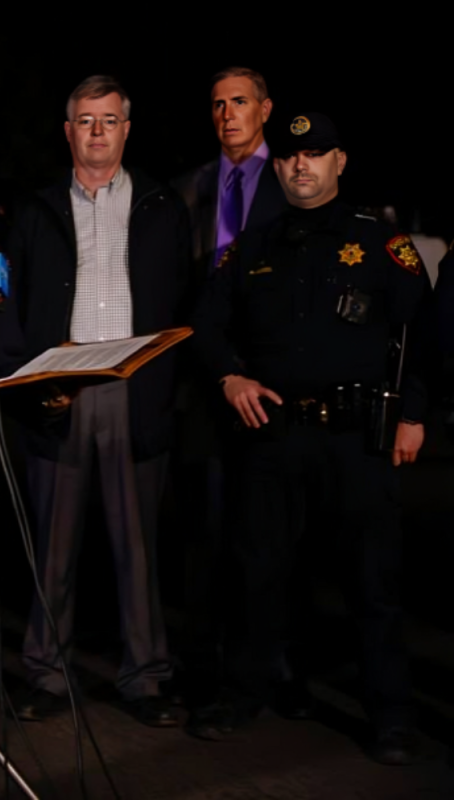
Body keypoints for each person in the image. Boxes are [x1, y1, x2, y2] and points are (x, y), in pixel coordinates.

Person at [190, 112, 429, 765]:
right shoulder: (252, 248)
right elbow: (206, 325)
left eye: (316, 153)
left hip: (358, 438)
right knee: (255, 571)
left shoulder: (381, 244)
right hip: (273, 435)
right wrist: (231, 377)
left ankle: (391, 717)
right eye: (292, 155)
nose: (302, 165)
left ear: (339, 162)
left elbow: (424, 336)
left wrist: (415, 413)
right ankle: (242, 694)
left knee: (371, 583)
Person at [7, 76, 189, 727]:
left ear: (126, 129)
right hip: (63, 388)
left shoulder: (163, 205)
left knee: (137, 546)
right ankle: (47, 673)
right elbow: (15, 306)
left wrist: (168, 391)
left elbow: (183, 304)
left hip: (134, 391)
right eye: (85, 120)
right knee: (52, 545)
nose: (97, 132)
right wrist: (34, 383)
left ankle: (146, 677)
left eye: (108, 120)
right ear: (68, 130)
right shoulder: (36, 209)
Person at [169, 66, 290, 722]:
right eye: (217, 104)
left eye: (239, 102)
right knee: (203, 536)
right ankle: (201, 668)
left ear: (264, 108)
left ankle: (273, 665)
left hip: (277, 385)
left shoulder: (295, 180)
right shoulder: (189, 189)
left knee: (271, 535)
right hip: (205, 385)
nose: (227, 114)